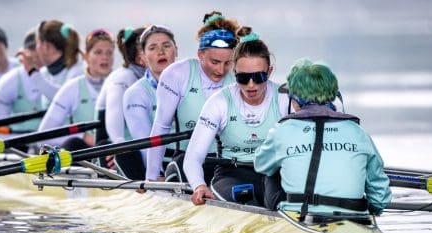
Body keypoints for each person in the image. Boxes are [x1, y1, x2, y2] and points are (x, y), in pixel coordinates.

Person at [254, 58, 392, 221]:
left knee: (272, 170)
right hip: (355, 217)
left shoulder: (282, 130)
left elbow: (260, 164)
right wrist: (374, 209)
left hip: (299, 217)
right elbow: (380, 196)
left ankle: (274, 220)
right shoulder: (358, 132)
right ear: (332, 94)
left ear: (295, 97)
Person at [184, 28, 291, 206]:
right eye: (243, 77)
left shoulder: (284, 98)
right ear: (234, 73)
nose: (251, 85)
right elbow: (193, 157)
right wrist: (199, 185)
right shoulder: (219, 102)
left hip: (275, 174)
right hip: (232, 174)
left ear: (269, 72)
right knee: (246, 200)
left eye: (258, 77)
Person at [146, 11, 238, 183]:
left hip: (226, 163)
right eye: (215, 62)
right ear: (200, 55)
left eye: (228, 63)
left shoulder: (240, 75)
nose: (221, 70)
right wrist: (152, 177)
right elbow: (161, 127)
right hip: (185, 160)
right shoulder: (178, 74)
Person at [37, 28, 114, 149]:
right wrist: (82, 136)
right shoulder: (72, 88)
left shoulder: (121, 83)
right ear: (86, 57)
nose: (105, 57)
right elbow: (43, 137)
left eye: (109, 52)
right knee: (72, 143)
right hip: (84, 157)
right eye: (98, 52)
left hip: (113, 153)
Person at [121, 25, 178, 179]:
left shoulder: (193, 84)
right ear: (143, 57)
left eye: (166, 46)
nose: (161, 52)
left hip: (190, 159)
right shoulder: (135, 93)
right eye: (152, 48)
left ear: (176, 51)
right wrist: (158, 175)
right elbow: (146, 143)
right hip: (157, 164)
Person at [96, 26, 146, 145]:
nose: (160, 52)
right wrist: (119, 147)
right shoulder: (123, 78)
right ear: (140, 57)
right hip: (113, 148)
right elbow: (115, 128)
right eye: (153, 47)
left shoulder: (154, 77)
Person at [0, 29, 45, 135]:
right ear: (23, 52)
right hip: (19, 143)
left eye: (38, 48)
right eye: (31, 48)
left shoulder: (60, 77)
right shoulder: (8, 82)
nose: (36, 53)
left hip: (52, 143)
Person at [21, 20, 83, 108]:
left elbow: (64, 100)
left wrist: (32, 72)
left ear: (46, 47)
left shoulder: (78, 71)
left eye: (37, 43)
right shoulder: (44, 72)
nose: (36, 49)